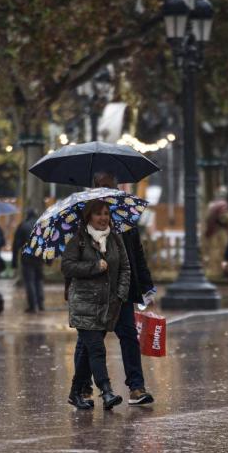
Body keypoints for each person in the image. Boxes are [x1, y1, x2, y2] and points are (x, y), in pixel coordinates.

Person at [75, 171, 156, 405]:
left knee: (129, 336)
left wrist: (147, 287)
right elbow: (72, 262)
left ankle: (137, 387)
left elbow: (137, 255)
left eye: (110, 186)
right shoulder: (83, 221)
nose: (106, 190)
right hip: (93, 294)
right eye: (101, 186)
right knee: (89, 341)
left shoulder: (125, 221)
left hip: (123, 291)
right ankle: (83, 388)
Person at [62, 200, 131, 410]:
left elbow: (125, 268)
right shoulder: (78, 240)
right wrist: (94, 266)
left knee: (86, 353)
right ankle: (107, 391)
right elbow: (67, 267)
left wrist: (120, 295)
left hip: (107, 306)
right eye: (98, 214)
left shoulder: (115, 239)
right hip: (84, 305)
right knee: (97, 349)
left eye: (106, 214)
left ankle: (75, 392)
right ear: (88, 217)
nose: (103, 218)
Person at [12, 209, 45, 313]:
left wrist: (14, 261)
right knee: (39, 280)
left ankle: (32, 305)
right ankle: (40, 304)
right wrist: (49, 259)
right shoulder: (42, 226)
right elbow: (49, 243)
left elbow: (16, 244)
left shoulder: (23, 226)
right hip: (39, 257)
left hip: (27, 257)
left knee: (30, 281)